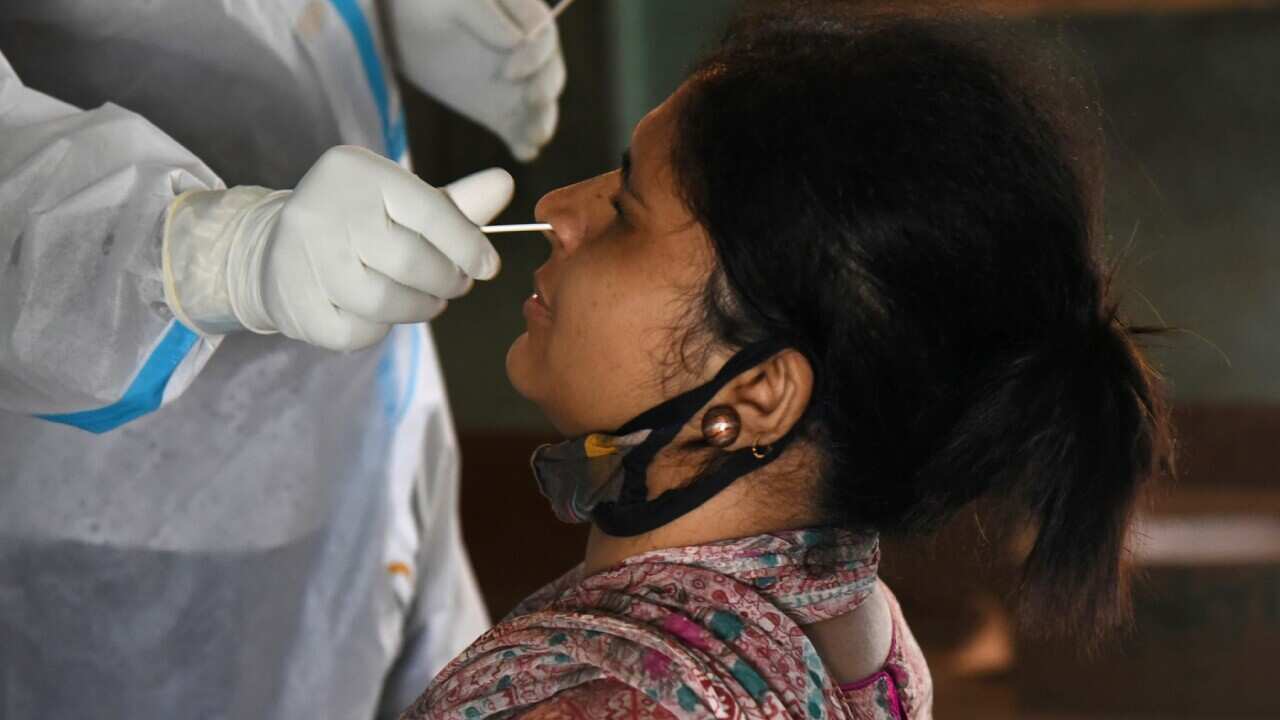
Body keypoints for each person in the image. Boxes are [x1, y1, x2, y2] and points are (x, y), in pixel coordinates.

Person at [402, 6, 1173, 719]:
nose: (557, 210)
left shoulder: (612, 702)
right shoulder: (858, 619)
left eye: (626, 215)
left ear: (760, 395)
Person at [0, 1, 564, 718]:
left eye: (633, 201)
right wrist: (205, 255)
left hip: (371, 444)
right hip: (134, 528)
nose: (571, 215)